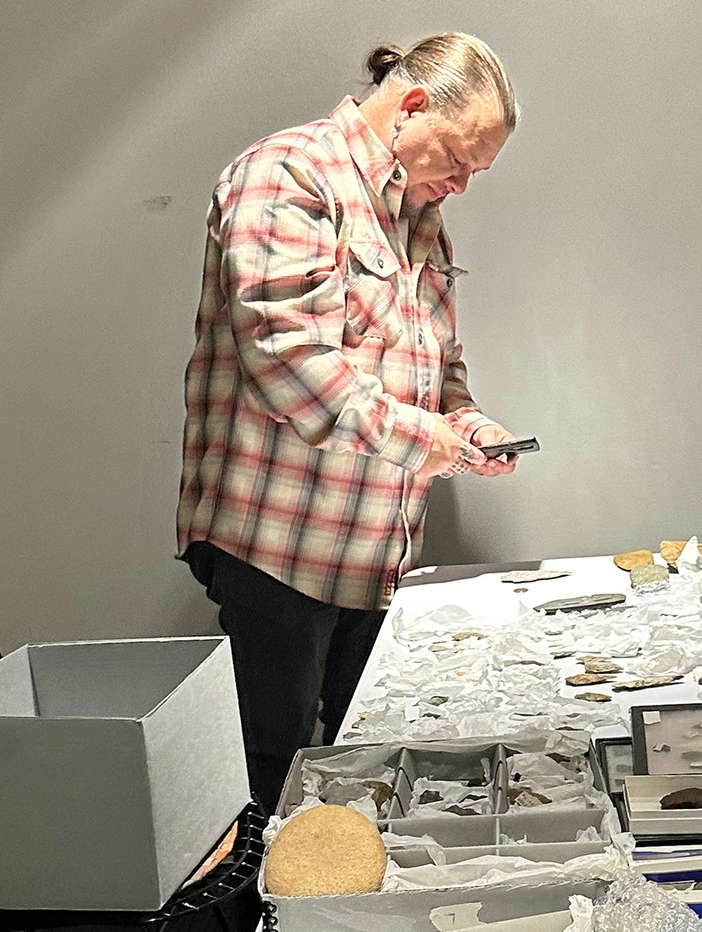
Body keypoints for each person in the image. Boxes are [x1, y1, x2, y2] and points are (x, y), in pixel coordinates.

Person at [176, 33, 521, 816]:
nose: (464, 184)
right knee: (276, 767)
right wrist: (423, 441)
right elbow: (290, 367)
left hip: (376, 549)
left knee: (360, 762)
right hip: (278, 546)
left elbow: (438, 358)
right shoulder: (287, 176)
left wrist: (463, 421)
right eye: (462, 158)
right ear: (408, 106)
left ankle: (340, 925)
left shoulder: (420, 212)